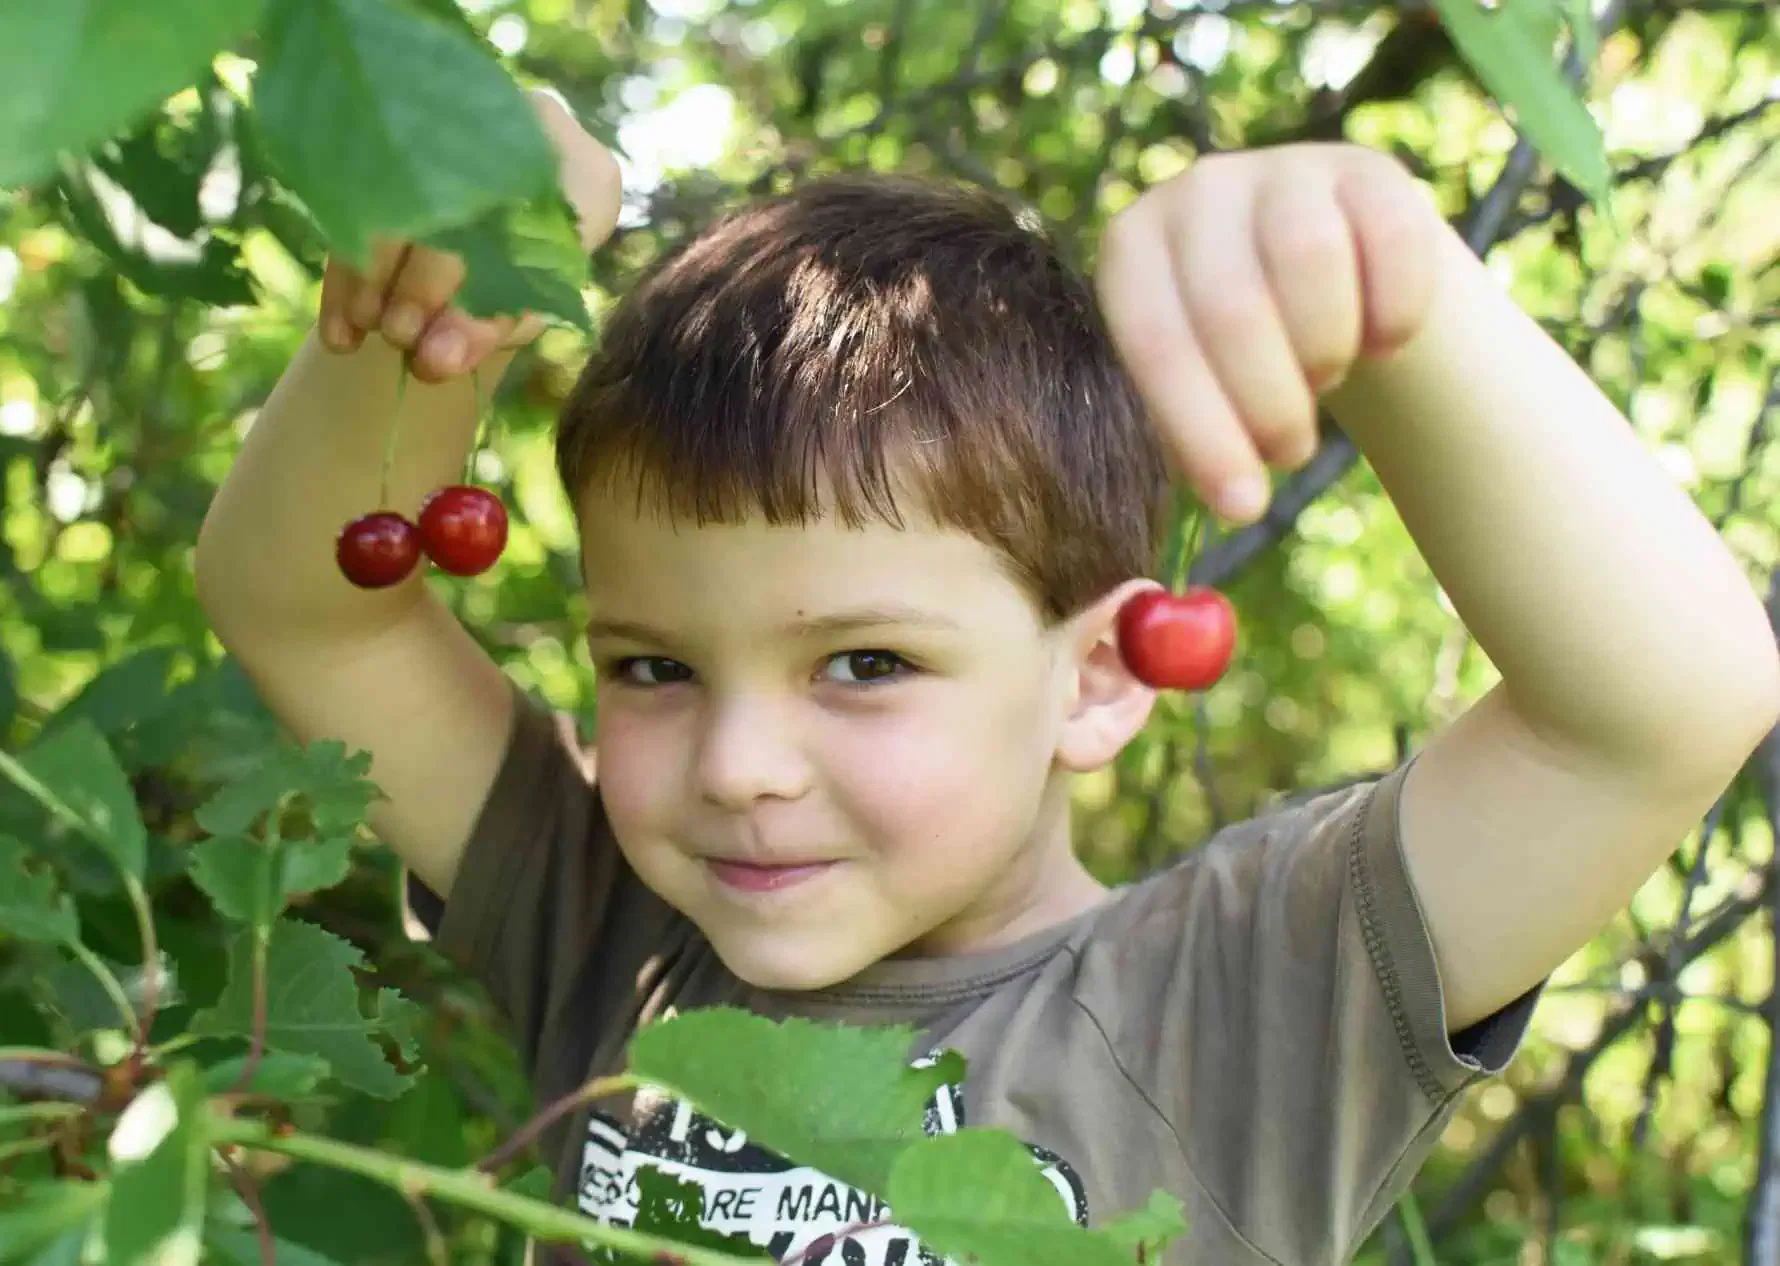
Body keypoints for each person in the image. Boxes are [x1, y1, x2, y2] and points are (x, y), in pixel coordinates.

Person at [194, 90, 1780, 1265]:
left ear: (1098, 678)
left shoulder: (1238, 999)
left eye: (866, 663)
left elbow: (1655, 709)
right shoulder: (610, 923)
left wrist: (1389, 297)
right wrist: (416, 326)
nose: (739, 758)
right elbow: (309, 611)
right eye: (656, 664)